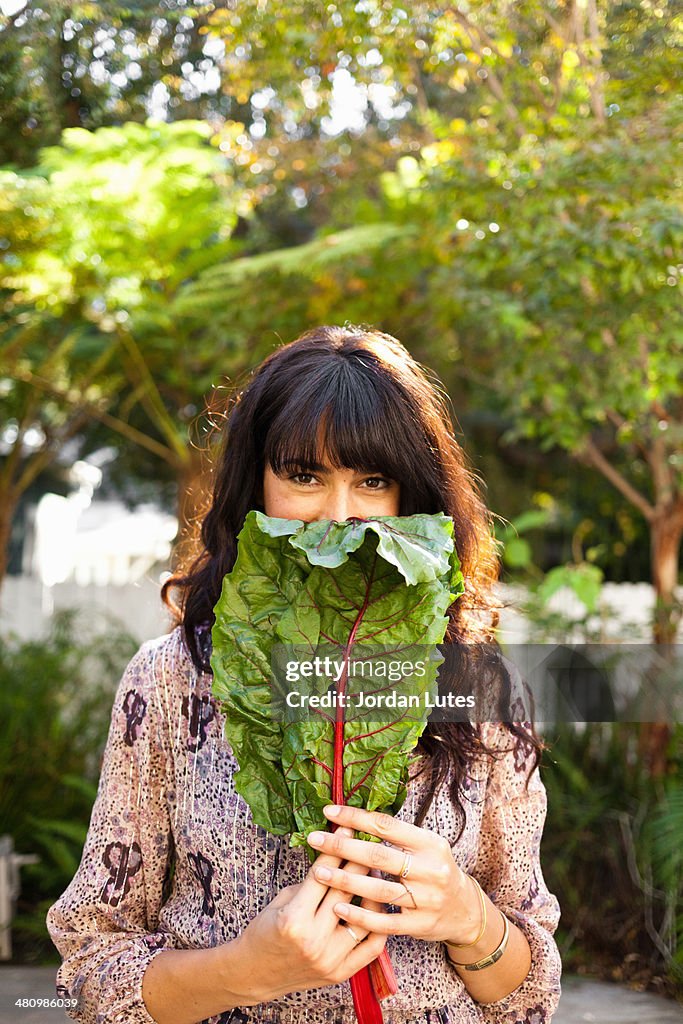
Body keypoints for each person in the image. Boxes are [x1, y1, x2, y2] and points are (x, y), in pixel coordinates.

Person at [47, 325, 562, 1024]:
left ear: (411, 497)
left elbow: (528, 997)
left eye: (372, 481)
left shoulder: (479, 686)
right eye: (303, 475)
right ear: (255, 479)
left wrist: (470, 918)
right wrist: (245, 971)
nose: (340, 515)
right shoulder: (170, 680)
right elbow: (88, 973)